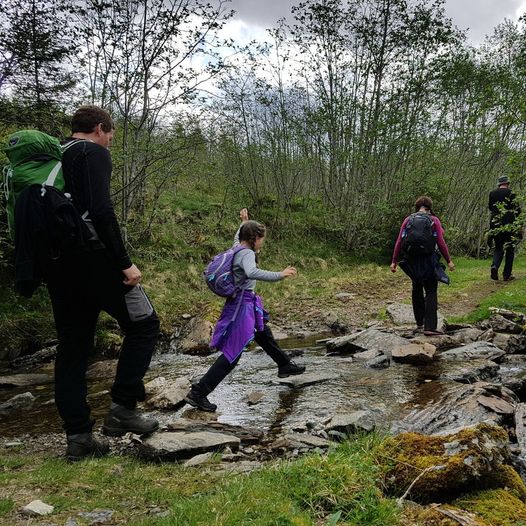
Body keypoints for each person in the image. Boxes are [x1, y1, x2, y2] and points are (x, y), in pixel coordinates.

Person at [44, 105, 160, 460]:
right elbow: (101, 210)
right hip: (92, 259)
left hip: (56, 264)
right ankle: (122, 408)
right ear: (99, 128)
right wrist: (124, 263)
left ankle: (79, 437)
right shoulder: (91, 151)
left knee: (73, 348)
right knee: (145, 325)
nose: (110, 141)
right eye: (111, 134)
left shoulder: (56, 155)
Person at [185, 208, 306, 412]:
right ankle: (199, 392)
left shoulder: (237, 248)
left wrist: (244, 222)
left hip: (245, 302)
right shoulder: (247, 254)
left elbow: (237, 237)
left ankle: (284, 364)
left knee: (262, 332)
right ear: (255, 238)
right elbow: (251, 271)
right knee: (233, 354)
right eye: (261, 239)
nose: (262, 243)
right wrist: (280, 274)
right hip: (242, 306)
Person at [390, 196, 455, 336]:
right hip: (429, 259)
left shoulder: (408, 219)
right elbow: (440, 241)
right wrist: (448, 260)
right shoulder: (434, 220)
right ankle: (430, 327)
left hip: (412, 260)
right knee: (431, 290)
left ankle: (419, 324)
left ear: (417, 206)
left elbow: (399, 241)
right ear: (430, 207)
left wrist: (394, 261)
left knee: (416, 288)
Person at [489, 176, 522, 281]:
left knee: (498, 247)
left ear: (499, 184)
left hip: (496, 223)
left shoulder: (492, 193)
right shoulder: (512, 193)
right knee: (510, 249)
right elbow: (517, 210)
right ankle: (507, 274)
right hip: (510, 224)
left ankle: (495, 266)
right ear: (508, 183)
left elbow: (490, 207)